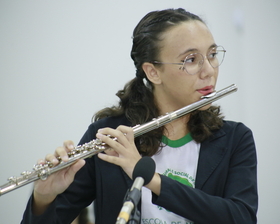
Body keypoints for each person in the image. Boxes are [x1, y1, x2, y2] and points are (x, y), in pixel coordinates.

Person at [20, 8, 258, 224]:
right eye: (191, 60)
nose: (209, 71)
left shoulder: (235, 139)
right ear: (153, 72)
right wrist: (43, 197)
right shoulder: (110, 137)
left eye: (213, 54)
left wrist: (150, 178)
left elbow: (241, 217)